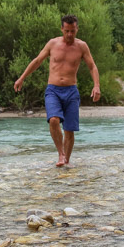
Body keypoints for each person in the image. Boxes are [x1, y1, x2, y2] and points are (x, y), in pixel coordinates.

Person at [14, 14, 100, 167]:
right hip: (53, 90)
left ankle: (66, 160)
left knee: (69, 130)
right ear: (61, 28)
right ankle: (61, 154)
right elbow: (37, 61)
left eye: (72, 31)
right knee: (53, 120)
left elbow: (92, 66)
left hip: (71, 91)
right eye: (66, 31)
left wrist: (96, 86)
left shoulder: (82, 46)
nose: (69, 35)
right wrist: (22, 78)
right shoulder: (52, 44)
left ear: (77, 29)